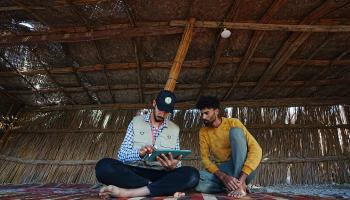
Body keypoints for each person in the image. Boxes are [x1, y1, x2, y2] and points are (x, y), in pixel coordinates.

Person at [95, 90, 199, 198]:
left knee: (192, 175)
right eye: (160, 108)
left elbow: (177, 162)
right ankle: (159, 188)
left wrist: (172, 166)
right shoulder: (135, 122)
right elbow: (121, 155)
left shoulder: (175, 129)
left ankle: (128, 192)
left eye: (166, 111)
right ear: (154, 103)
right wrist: (139, 153)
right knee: (103, 167)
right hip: (135, 173)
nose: (162, 114)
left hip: (161, 174)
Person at [194, 96, 262, 198]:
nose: (203, 117)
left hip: (244, 171)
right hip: (224, 170)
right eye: (202, 114)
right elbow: (205, 159)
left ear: (216, 111)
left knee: (236, 132)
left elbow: (257, 149)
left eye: (206, 113)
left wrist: (242, 179)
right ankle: (230, 187)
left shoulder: (233, 122)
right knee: (197, 179)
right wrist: (224, 177)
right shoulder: (203, 132)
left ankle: (239, 184)